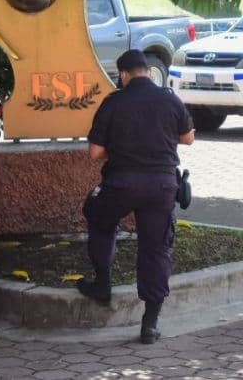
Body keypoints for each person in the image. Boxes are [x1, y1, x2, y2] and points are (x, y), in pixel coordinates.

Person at [78, 49, 195, 344]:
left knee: (99, 217)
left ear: (123, 74)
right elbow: (188, 137)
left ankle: (102, 284)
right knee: (155, 249)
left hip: (121, 183)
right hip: (162, 186)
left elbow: (95, 152)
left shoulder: (114, 102)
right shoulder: (169, 99)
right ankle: (150, 324)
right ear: (147, 71)